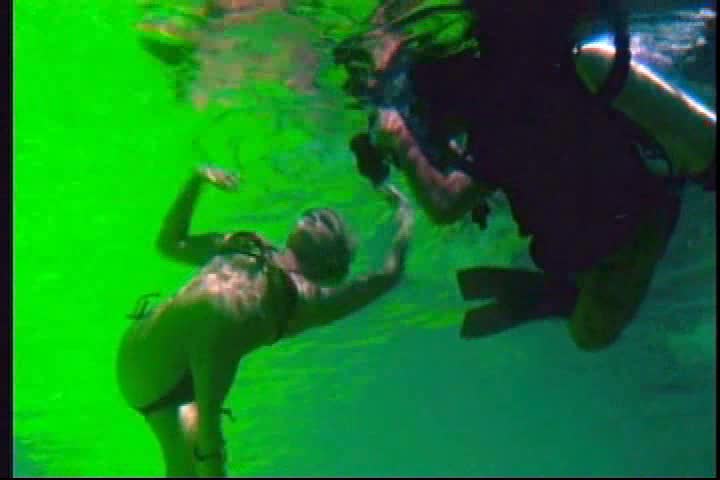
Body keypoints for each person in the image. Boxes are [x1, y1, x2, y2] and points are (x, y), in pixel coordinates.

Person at [339, 0, 715, 350]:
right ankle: (564, 294)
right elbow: (449, 200)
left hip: (610, 200)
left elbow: (447, 202)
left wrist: (399, 135)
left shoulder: (520, 103)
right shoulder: (515, 105)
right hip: (597, 192)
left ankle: (563, 294)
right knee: (593, 330)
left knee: (593, 330)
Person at [116, 164, 414, 477]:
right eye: (315, 214)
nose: (320, 214)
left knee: (199, 450)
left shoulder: (307, 303)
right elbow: (170, 244)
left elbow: (387, 275)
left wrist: (406, 215)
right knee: (199, 446)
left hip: (160, 379)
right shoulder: (248, 245)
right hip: (151, 361)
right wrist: (197, 180)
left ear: (331, 260)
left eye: (328, 223)